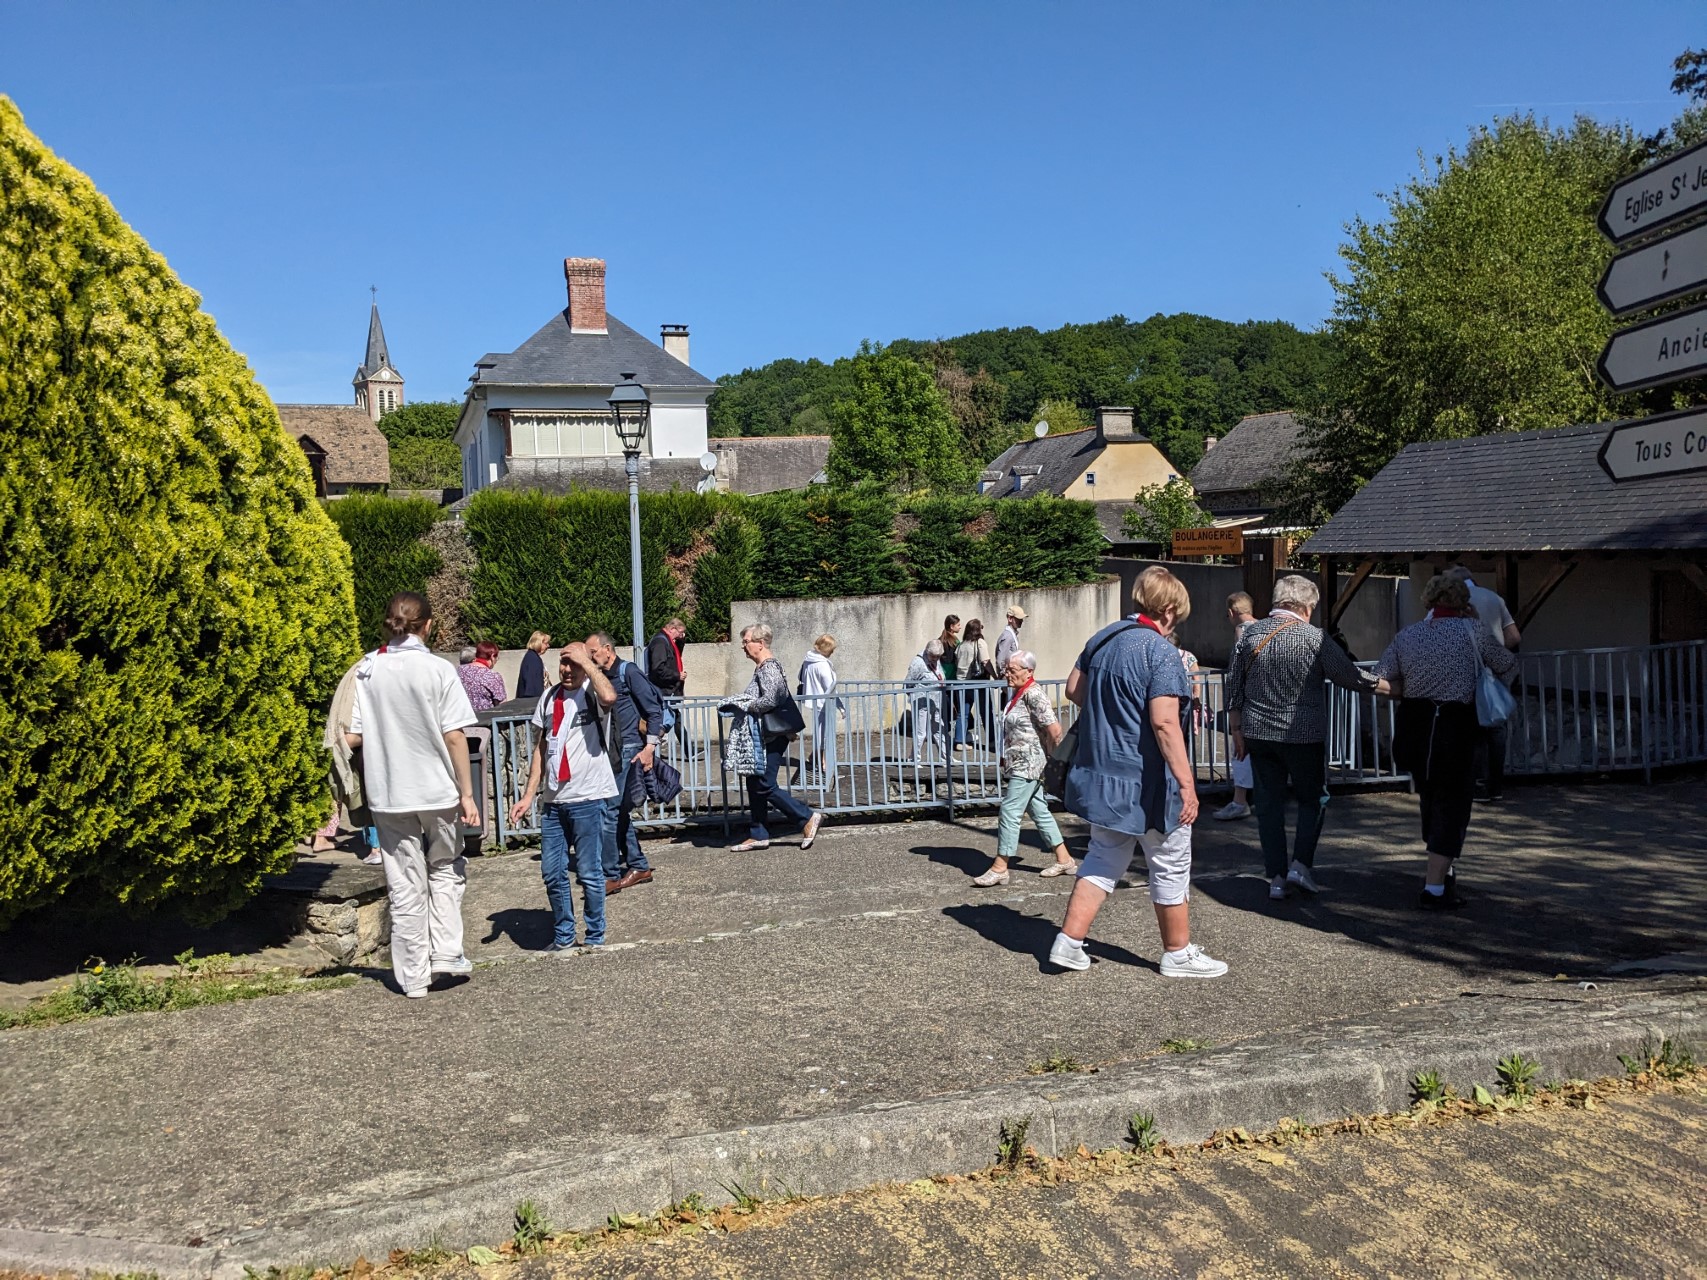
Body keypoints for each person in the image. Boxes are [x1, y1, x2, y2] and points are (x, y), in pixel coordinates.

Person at [1049, 567, 1227, 979]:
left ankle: (1068, 942)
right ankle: (1177, 953)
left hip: (1104, 774)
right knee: (1170, 860)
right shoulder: (1160, 652)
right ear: (1168, 609)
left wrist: (1115, 716)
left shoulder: (1103, 638)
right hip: (1149, 781)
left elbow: (1074, 689)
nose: (1175, 623)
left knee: (1103, 856)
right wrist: (1187, 785)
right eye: (1177, 616)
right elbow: (1165, 723)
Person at [343, 592, 480, 998]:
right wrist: (467, 794)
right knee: (446, 868)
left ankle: (413, 978)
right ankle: (446, 953)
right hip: (437, 790)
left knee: (403, 884)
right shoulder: (438, 669)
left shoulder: (366, 669)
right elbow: (455, 736)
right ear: (429, 625)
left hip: (389, 792)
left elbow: (352, 736)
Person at [1225, 575, 1379, 902]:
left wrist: (1236, 731)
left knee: (1269, 804)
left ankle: (1276, 878)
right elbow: (1350, 676)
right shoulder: (1314, 638)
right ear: (1306, 607)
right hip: (1303, 733)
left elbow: (1234, 686)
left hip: (1258, 732)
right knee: (1312, 799)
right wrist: (1390, 687)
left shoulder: (1249, 635)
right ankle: (1300, 865)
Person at [1374, 574, 1517, 909]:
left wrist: (1409, 690)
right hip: (1458, 726)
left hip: (1416, 726)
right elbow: (1508, 665)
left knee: (1430, 797)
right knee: (1453, 805)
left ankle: (1443, 871)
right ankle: (1434, 888)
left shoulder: (1408, 635)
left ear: (1429, 601)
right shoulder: (1474, 632)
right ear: (1463, 601)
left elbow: (1379, 677)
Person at [507, 642, 619, 950]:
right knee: (552, 873)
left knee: (589, 872)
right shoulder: (549, 697)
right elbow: (542, 749)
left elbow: (610, 697)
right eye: (563, 663)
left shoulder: (592, 692)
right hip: (554, 801)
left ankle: (594, 936)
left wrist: (588, 662)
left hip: (587, 797)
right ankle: (564, 936)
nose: (567, 670)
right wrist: (529, 795)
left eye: (574, 664)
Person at [973, 650, 1076, 885]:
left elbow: (1055, 730)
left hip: (1028, 763)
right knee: (1038, 809)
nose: (1007, 674)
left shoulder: (1034, 694)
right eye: (1006, 669)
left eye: (1012, 670)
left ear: (1029, 672)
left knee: (1010, 811)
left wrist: (1053, 758)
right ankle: (1065, 859)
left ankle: (1000, 866)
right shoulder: (1017, 693)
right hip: (1019, 761)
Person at [726, 623, 826, 851]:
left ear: (760, 644)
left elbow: (771, 699)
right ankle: (758, 834)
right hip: (767, 735)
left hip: (772, 737)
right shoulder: (763, 667)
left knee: (764, 783)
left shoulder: (769, 667)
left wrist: (745, 704)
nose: (743, 646)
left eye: (746, 641)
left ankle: (806, 817)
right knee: (755, 782)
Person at [587, 631, 661, 893]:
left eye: (593, 652)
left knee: (610, 809)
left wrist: (650, 747)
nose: (590, 657)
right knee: (616, 810)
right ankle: (638, 866)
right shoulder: (599, 677)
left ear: (607, 649)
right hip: (611, 750)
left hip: (629, 748)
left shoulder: (627, 671)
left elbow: (654, 710)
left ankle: (609, 875)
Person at [1445, 567, 1521, 802]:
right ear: (1473, 579)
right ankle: (1495, 786)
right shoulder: (1494, 598)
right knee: (1497, 727)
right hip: (1496, 670)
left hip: (1465, 670)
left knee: (1473, 728)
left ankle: (1477, 784)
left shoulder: (1451, 601)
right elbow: (1514, 637)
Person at [1213, 593, 1257, 821]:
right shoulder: (1267, 627)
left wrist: (1234, 720)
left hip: (1247, 706)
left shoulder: (1242, 632)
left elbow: (1236, 677)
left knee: (1240, 752)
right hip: (1267, 704)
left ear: (1231, 613)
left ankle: (1240, 801)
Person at [798, 634, 840, 778]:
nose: (832, 652)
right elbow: (830, 686)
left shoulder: (808, 660)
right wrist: (841, 706)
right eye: (831, 649)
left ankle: (817, 757)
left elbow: (801, 677)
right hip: (824, 701)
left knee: (820, 731)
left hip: (814, 699)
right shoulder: (822, 664)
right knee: (824, 733)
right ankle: (823, 762)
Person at [904, 640, 948, 763]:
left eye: (938, 657)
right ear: (927, 652)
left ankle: (946, 758)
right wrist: (915, 695)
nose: (935, 659)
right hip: (921, 701)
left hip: (936, 700)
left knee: (939, 730)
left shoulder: (936, 660)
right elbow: (908, 683)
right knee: (921, 732)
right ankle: (914, 759)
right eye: (933, 656)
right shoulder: (918, 662)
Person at [956, 618, 996, 748]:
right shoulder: (980, 643)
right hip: (978, 682)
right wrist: (995, 677)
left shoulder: (961, 645)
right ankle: (992, 740)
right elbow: (985, 661)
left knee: (963, 713)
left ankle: (959, 741)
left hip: (961, 682)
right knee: (986, 711)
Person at [457, 640, 508, 711]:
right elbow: (502, 706)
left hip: (463, 716)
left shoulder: (459, 670)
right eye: (497, 657)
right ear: (492, 656)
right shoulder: (492, 676)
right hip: (486, 716)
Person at [938, 616, 963, 747]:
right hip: (953, 678)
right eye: (958, 625)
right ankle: (960, 735)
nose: (960, 627)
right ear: (952, 626)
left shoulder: (940, 640)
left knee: (945, 706)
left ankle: (944, 731)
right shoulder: (955, 642)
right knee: (960, 708)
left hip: (943, 679)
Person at [515, 632, 551, 702]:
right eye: (546, 643)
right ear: (538, 643)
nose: (548, 646)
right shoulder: (533, 659)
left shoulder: (532, 657)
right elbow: (532, 686)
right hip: (531, 702)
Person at [994, 606, 1026, 675]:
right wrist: (1006, 675)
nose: (1021, 621)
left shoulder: (1012, 635)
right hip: (1008, 677)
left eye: (1021, 619)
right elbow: (1000, 661)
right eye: (1018, 619)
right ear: (1010, 619)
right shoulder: (1008, 636)